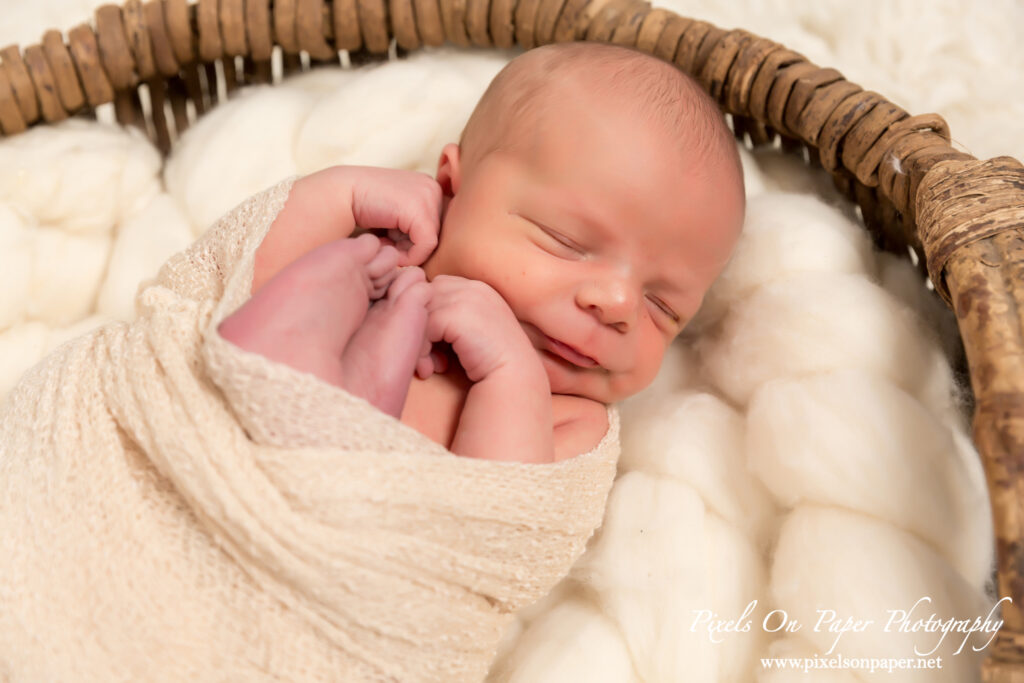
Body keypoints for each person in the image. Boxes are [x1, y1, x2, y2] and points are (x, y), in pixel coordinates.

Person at [218, 40, 746, 465]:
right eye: (563, 241)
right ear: (452, 186)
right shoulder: (375, 268)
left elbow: (501, 530)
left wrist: (507, 375)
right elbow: (238, 288)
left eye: (664, 308)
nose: (617, 305)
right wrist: (339, 193)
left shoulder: (569, 422)